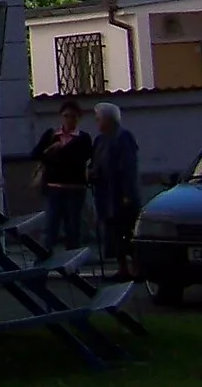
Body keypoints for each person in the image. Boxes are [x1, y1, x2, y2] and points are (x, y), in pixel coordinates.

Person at [30, 98, 93, 255]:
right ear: (61, 117)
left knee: (73, 228)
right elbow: (35, 154)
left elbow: (84, 158)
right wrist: (50, 150)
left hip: (75, 188)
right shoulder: (52, 135)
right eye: (66, 116)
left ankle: (73, 263)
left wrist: (66, 152)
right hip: (54, 188)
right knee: (50, 227)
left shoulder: (83, 138)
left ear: (79, 118)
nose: (69, 120)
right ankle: (42, 262)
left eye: (73, 116)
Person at [89, 101, 142, 278]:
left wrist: (127, 194)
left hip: (120, 194)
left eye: (98, 118)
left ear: (108, 119)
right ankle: (122, 268)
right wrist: (92, 174)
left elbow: (128, 167)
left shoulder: (123, 137)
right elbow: (95, 163)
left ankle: (136, 268)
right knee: (113, 233)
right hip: (105, 194)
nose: (96, 122)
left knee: (127, 231)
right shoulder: (100, 139)